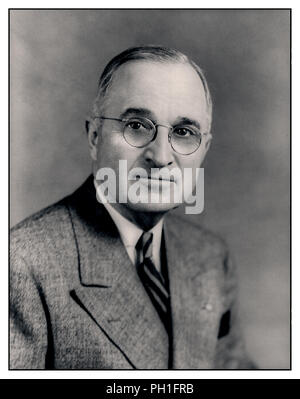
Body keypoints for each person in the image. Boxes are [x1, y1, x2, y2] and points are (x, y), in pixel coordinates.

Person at [10, 45, 255, 369]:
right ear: (95, 137)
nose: (161, 156)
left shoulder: (209, 257)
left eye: (183, 132)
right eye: (137, 125)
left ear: (204, 150)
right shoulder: (23, 263)